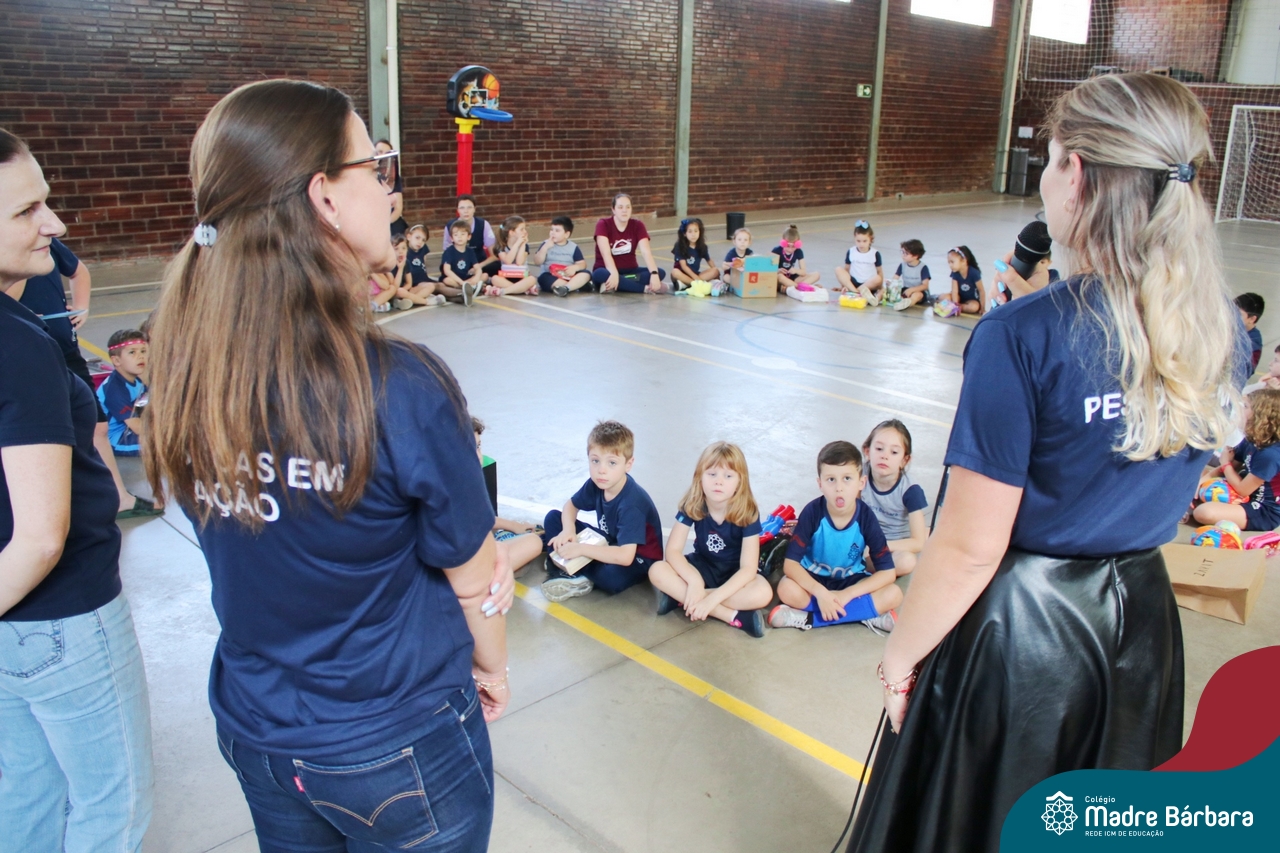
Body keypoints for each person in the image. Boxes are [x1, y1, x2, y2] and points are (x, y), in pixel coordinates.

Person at [848, 73, 1247, 853]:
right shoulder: (1218, 326)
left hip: (1025, 630)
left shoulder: (1021, 335)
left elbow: (970, 545)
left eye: (1050, 158)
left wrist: (901, 652)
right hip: (1141, 622)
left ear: (1077, 175)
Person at [141, 79, 514, 852]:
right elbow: (475, 579)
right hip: (394, 740)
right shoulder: (399, 385)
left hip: (260, 732)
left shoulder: (187, 365)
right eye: (376, 166)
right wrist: (493, 665)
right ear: (325, 198)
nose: (389, 187)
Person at [0, 126, 153, 852]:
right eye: (26, 211)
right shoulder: (17, 346)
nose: (54, 224)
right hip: (61, 617)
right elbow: (39, 537)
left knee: (26, 796)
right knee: (111, 811)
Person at [5, 238, 160, 517]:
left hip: (67, 350)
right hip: (35, 354)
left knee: (96, 424)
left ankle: (118, 497)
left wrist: (81, 306)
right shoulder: (13, 249)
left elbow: (79, 271)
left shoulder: (48, 241)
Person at [767, 441, 900, 633]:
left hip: (851, 581)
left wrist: (848, 594)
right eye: (831, 479)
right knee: (786, 588)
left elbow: (888, 572)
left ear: (861, 482)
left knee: (894, 593)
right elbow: (791, 565)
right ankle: (863, 613)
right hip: (814, 581)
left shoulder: (866, 517)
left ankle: (808, 619)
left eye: (847, 478)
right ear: (820, 484)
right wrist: (821, 593)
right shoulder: (812, 512)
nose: (839, 488)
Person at [648, 442, 772, 638]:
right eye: (712, 474)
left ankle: (683, 598)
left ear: (740, 482)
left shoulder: (748, 512)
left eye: (728, 476)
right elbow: (672, 551)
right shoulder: (693, 503)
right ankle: (731, 616)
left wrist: (710, 598)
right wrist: (694, 581)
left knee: (763, 593)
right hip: (701, 567)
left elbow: (748, 569)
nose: (718, 482)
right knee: (657, 570)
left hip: (734, 575)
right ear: (700, 477)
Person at [539, 420, 663, 602]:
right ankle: (572, 563)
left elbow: (625, 557)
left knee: (611, 578)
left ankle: (572, 570)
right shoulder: (597, 483)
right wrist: (568, 531)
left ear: (628, 464)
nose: (601, 470)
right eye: (595, 461)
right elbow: (570, 506)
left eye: (612, 463)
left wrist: (580, 549)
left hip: (638, 559)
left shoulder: (632, 504)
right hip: (611, 542)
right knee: (553, 518)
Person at [1192, 389, 1280, 532]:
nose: (1239, 410)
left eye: (1245, 406)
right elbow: (1226, 469)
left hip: (1261, 510)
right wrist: (1197, 485)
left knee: (1204, 513)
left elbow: (1243, 489)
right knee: (1195, 476)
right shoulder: (1253, 440)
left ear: (1261, 416)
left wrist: (1225, 463)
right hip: (1238, 491)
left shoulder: (1270, 455)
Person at [859, 420, 928, 576]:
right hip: (864, 540)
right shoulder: (859, 474)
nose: (884, 456)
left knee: (906, 561)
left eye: (894, 452)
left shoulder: (910, 490)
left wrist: (880, 546)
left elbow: (918, 542)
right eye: (879, 449)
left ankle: (861, 567)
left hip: (894, 546)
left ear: (904, 460)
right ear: (867, 451)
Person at [591, 193, 667, 294]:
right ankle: (644, 289)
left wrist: (654, 274)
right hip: (607, 270)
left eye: (628, 207)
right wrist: (614, 273)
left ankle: (616, 284)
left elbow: (646, 252)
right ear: (613, 209)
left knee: (660, 272)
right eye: (620, 207)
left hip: (630, 271)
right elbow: (606, 254)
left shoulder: (638, 225)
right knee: (599, 274)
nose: (624, 210)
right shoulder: (603, 224)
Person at [96, 329, 149, 457]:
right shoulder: (115, 390)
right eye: (132, 352)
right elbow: (137, 427)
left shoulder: (135, 379)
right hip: (116, 439)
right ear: (116, 361)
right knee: (169, 442)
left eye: (143, 351)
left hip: (130, 427)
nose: (140, 356)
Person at [531, 215, 590, 297]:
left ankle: (566, 288)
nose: (553, 233)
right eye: (551, 229)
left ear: (566, 234)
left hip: (567, 275)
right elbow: (537, 262)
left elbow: (582, 264)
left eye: (557, 231)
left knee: (586, 273)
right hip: (550, 276)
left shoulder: (573, 247)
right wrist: (545, 248)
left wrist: (575, 268)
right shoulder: (545, 244)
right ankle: (575, 286)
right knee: (543, 278)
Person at [445, 194, 500, 277]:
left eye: (469, 207)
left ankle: (479, 278)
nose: (466, 211)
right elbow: (447, 254)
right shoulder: (450, 225)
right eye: (462, 208)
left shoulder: (483, 224)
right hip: (459, 263)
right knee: (446, 269)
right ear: (457, 210)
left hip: (479, 262)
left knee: (496, 265)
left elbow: (494, 256)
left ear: (475, 209)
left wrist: (478, 267)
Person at [485, 215, 540, 297]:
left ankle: (504, 291)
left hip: (522, 277)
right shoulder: (501, 247)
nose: (525, 231)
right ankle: (522, 289)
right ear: (512, 232)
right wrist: (517, 243)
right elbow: (508, 261)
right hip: (506, 277)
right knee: (494, 279)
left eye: (525, 229)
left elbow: (519, 262)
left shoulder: (525, 246)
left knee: (532, 279)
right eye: (522, 229)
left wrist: (522, 244)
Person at [388, 234, 444, 310]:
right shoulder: (389, 265)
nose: (401, 252)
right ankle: (426, 301)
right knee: (400, 291)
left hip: (404, 291)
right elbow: (394, 287)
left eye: (404, 248)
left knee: (430, 286)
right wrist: (400, 269)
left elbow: (409, 283)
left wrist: (405, 289)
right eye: (396, 249)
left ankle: (408, 301)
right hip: (394, 293)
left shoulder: (406, 262)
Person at [834, 220, 884, 304]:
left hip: (868, 284)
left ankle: (854, 292)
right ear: (854, 238)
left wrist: (880, 287)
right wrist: (843, 286)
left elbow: (880, 272)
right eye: (858, 241)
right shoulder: (851, 251)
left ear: (870, 239)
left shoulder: (875, 253)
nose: (861, 244)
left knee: (878, 278)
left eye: (864, 241)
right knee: (838, 269)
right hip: (853, 282)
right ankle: (856, 292)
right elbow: (846, 269)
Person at [440, 219, 489, 305]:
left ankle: (469, 287)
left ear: (469, 237)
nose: (459, 237)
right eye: (456, 235)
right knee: (447, 280)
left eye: (463, 234)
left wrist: (476, 277)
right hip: (455, 279)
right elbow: (447, 270)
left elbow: (478, 268)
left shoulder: (470, 251)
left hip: (466, 278)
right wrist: (461, 282)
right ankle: (470, 288)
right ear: (451, 238)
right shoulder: (449, 251)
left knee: (485, 275)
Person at [670, 217, 719, 290]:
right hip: (682, 274)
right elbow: (684, 266)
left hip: (695, 274)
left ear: (700, 232)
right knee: (674, 272)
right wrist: (696, 278)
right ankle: (697, 284)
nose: (693, 234)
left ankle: (687, 284)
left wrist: (716, 272)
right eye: (690, 232)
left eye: (696, 231)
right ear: (684, 233)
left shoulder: (702, 246)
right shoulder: (679, 246)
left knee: (715, 270)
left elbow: (709, 260)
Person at [772, 224, 820, 292]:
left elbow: (803, 272)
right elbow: (769, 269)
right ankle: (800, 287)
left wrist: (796, 271)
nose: (790, 249)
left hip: (792, 278)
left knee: (816, 275)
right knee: (780, 277)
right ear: (783, 243)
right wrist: (778, 270)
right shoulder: (777, 250)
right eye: (788, 246)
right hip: (781, 278)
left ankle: (792, 287)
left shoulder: (798, 251)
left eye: (793, 247)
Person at [375, 139, 407, 238]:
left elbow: (398, 208)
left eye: (387, 154)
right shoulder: (366, 177)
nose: (383, 156)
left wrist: (386, 223)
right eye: (380, 152)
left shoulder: (394, 179)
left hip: (390, 220)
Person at [891, 239, 932, 312]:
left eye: (906, 253)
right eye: (902, 252)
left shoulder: (923, 267)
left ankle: (908, 303)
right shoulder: (902, 265)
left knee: (917, 295)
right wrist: (891, 285)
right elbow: (895, 279)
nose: (903, 256)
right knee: (890, 291)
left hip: (919, 291)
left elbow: (925, 286)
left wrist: (911, 290)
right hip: (906, 289)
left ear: (915, 256)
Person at [946, 245, 985, 315]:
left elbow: (981, 291)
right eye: (949, 262)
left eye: (952, 262)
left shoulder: (974, 273)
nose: (950, 265)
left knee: (974, 307)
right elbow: (955, 291)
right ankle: (954, 306)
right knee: (945, 297)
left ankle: (957, 307)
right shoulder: (955, 273)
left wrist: (982, 308)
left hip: (971, 300)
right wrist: (955, 304)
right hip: (958, 298)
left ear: (964, 261)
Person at [1236, 292, 1265, 369]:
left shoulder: (1253, 342)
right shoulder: (1231, 328)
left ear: (1252, 319)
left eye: (1238, 314)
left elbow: (1244, 370)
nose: (1232, 315)